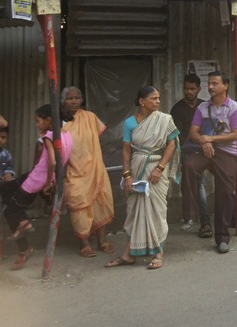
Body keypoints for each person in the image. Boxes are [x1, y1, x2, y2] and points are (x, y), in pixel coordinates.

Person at [105, 86, 180, 269]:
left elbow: (172, 145)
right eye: (153, 98)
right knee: (134, 212)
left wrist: (159, 168)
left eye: (158, 98)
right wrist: (127, 175)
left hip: (156, 170)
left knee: (157, 212)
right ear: (142, 101)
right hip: (137, 169)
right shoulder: (130, 123)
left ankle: (158, 253)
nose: (158, 101)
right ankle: (129, 254)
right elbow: (125, 150)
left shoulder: (165, 120)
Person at [1, 105, 72, 270]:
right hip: (40, 177)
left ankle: (24, 229)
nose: (36, 125)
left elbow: (53, 162)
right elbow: (65, 162)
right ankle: (24, 245)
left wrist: (48, 182)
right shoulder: (68, 135)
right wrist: (58, 180)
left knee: (11, 208)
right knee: (8, 196)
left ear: (48, 120)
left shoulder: (49, 136)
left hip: (38, 179)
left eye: (37, 121)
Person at [182, 71, 237, 253]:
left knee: (225, 192)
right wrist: (203, 141)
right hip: (206, 149)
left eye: (215, 83)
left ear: (225, 86)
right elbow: (193, 132)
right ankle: (190, 215)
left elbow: (235, 134)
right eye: (209, 83)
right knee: (188, 166)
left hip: (227, 151)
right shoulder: (202, 108)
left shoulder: (234, 108)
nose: (210, 86)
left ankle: (222, 238)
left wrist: (211, 140)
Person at [61, 86, 116, 257]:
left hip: (96, 168)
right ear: (63, 101)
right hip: (74, 170)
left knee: (101, 202)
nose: (74, 101)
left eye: (77, 97)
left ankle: (102, 240)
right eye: (70, 98)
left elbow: (101, 137)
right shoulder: (60, 121)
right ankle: (84, 243)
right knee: (78, 204)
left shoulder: (90, 117)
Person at [171, 73, 210, 234]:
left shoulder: (204, 106)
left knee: (200, 184)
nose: (189, 92)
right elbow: (178, 136)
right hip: (186, 152)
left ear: (199, 89)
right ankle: (195, 218)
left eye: (192, 89)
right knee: (191, 185)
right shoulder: (177, 109)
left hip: (205, 150)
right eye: (186, 88)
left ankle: (204, 218)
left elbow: (210, 128)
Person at [0, 114, 15, 181]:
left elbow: (9, 168)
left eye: (3, 137)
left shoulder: (6, 154)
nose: (0, 140)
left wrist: (8, 174)